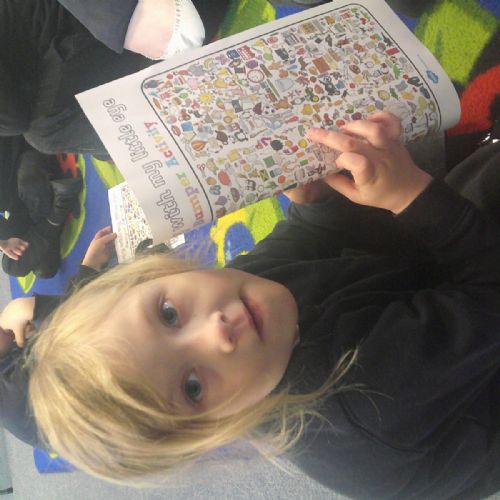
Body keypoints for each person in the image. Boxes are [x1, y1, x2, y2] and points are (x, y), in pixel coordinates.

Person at [26, 112, 500, 499]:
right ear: (218, 426)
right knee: (449, 192)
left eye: (169, 315)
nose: (216, 332)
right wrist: (410, 195)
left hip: (433, 303)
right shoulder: (364, 399)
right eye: (192, 387)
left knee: (386, 174)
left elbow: (313, 233)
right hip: (479, 365)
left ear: (158, 273)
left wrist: (314, 199)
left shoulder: (244, 293)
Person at [0, 226, 117, 446]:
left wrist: (89, 265)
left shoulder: (8, 355)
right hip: (121, 406)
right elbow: (87, 324)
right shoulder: (16, 390)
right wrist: (28, 308)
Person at [0, 137, 83, 278]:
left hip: (27, 157)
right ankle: (57, 214)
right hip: (17, 205)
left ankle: (55, 214)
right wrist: (4, 243)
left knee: (29, 181)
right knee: (12, 266)